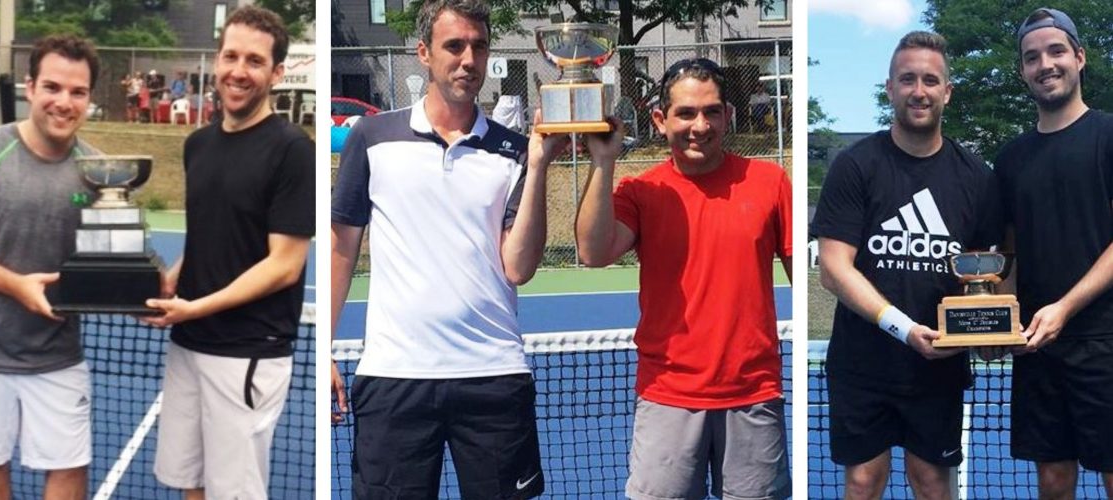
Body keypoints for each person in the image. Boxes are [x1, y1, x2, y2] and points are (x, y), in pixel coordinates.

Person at [330, 0, 567, 497]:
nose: (468, 59)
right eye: (454, 46)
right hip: (394, 377)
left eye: (479, 47)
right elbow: (341, 247)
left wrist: (541, 162)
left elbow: (518, 267)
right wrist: (323, 349)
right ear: (423, 53)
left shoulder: (516, 151)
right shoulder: (371, 138)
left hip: (494, 376)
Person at [575, 57, 793, 500]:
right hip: (667, 395)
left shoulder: (770, 181)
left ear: (728, 115)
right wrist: (603, 161)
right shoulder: (641, 191)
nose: (700, 125)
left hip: (753, 395)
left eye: (712, 111)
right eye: (686, 113)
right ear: (660, 119)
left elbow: (804, 281)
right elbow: (593, 252)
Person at [810, 31, 1002, 499]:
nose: (920, 90)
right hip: (862, 363)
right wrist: (904, 328)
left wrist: (983, 332)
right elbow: (834, 268)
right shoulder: (854, 166)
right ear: (890, 88)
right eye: (908, 79)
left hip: (937, 368)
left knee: (933, 483)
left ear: (947, 92)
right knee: (863, 480)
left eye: (931, 80)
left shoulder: (976, 177)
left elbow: (984, 278)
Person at [142, 6, 314, 499]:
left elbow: (284, 265)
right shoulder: (198, 144)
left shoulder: (291, 151)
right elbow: (209, 233)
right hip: (188, 346)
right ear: (216, 61)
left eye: (255, 61)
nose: (239, 70)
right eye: (231, 56)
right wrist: (173, 278)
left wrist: (194, 307)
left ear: (276, 72)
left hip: (245, 356)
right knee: (189, 484)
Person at [0, 34, 101, 500]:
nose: (64, 102)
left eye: (77, 92)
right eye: (53, 87)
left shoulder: (101, 170)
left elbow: (110, 264)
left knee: (68, 473)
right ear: (30, 87)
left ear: (89, 98)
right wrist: (17, 286)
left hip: (59, 358)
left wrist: (136, 295)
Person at [992, 8, 1113, 497]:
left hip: (1105, 341)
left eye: (1056, 51)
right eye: (1032, 56)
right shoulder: (1011, 158)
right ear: (1023, 70)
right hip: (1038, 346)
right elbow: (1009, 255)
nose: (1045, 63)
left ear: (1080, 58)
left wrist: (1064, 307)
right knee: (1053, 479)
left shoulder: (1108, 134)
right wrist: (997, 322)